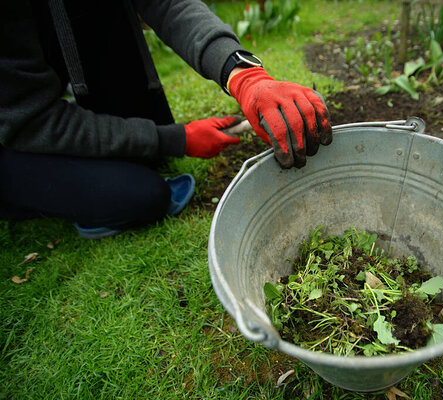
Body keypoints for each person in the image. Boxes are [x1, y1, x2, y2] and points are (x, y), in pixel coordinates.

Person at [0, 0, 332, 239]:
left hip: (38, 92)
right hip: (16, 127)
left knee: (149, 158)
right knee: (141, 195)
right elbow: (33, 121)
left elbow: (169, 5)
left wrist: (245, 77)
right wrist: (177, 138)